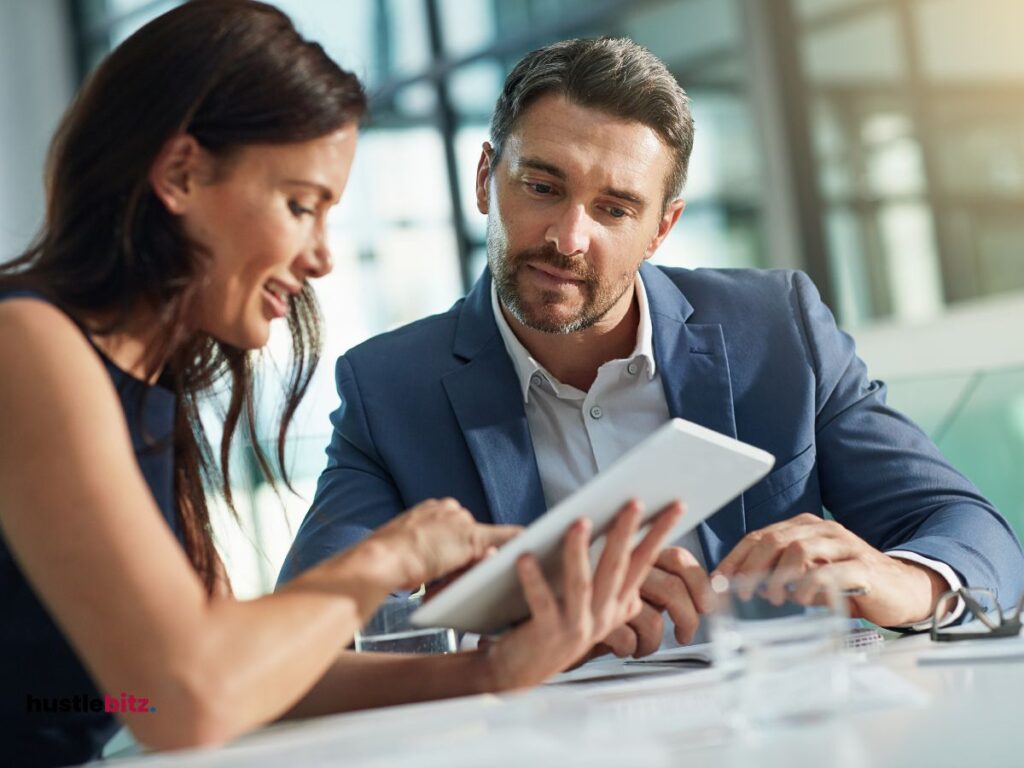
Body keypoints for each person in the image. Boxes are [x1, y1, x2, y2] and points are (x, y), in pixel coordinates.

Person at [0, 6, 683, 766]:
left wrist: (489, 670)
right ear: (181, 173)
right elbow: (183, 699)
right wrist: (390, 558)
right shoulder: (25, 345)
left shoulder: (137, 381)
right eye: (300, 206)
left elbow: (236, 678)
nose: (322, 258)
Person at [280, 37, 1024, 658]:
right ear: (485, 179)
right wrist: (514, 626)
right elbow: (299, 635)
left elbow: (975, 534)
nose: (569, 238)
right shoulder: (390, 388)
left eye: (614, 208)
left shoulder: (776, 330)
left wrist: (900, 582)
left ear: (661, 229)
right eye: (542, 186)